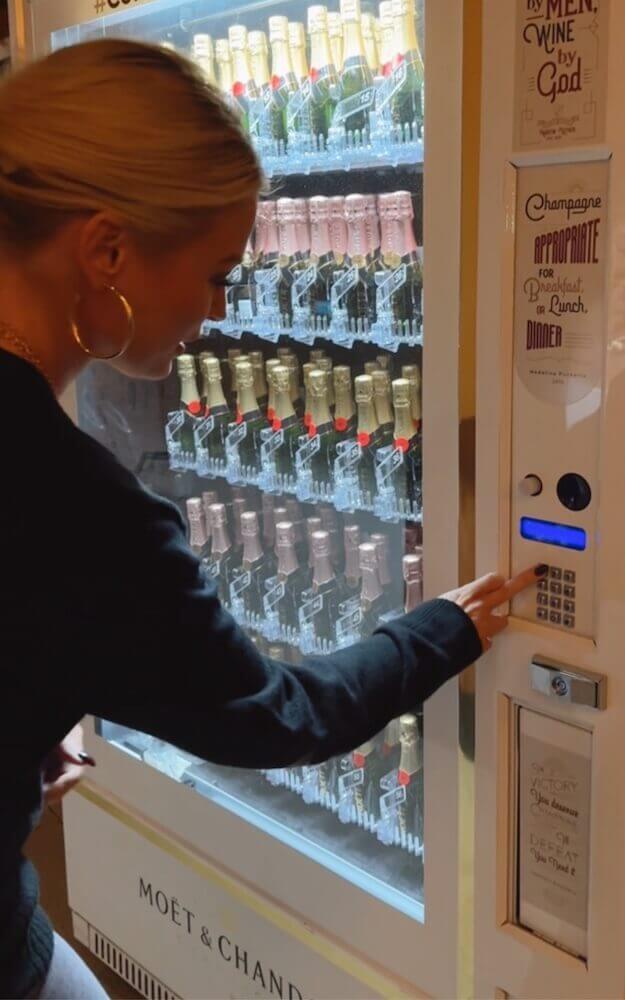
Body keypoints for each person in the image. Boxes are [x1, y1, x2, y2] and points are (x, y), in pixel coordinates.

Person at [0, 39, 541, 1000]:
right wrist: (446, 627)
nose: (215, 312)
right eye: (215, 273)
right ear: (107, 251)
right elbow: (275, 717)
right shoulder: (76, 503)